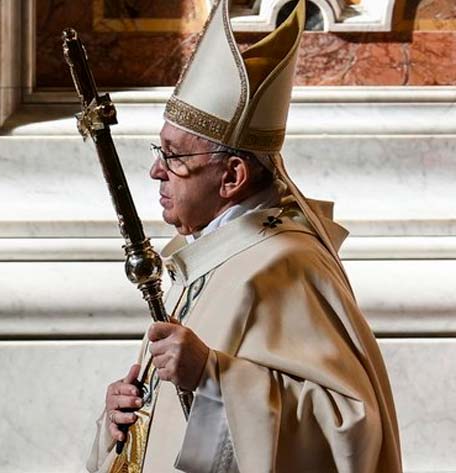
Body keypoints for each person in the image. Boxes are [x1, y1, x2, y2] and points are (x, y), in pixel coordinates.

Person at [86, 1, 402, 472]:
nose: (155, 171)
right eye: (160, 151)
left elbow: (350, 427)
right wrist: (126, 418)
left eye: (173, 156)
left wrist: (214, 377)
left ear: (232, 175)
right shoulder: (214, 256)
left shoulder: (285, 263)